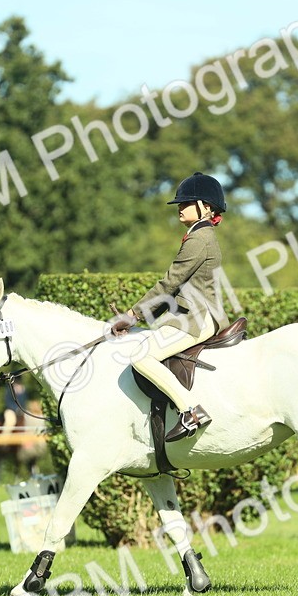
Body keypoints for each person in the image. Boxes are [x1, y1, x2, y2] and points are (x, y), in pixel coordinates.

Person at [110, 172, 231, 441]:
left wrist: (132, 315)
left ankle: (190, 411)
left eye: (186, 202)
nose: (180, 207)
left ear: (206, 207)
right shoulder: (199, 235)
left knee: (141, 356)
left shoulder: (199, 239)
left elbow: (169, 283)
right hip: (192, 314)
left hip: (197, 317)